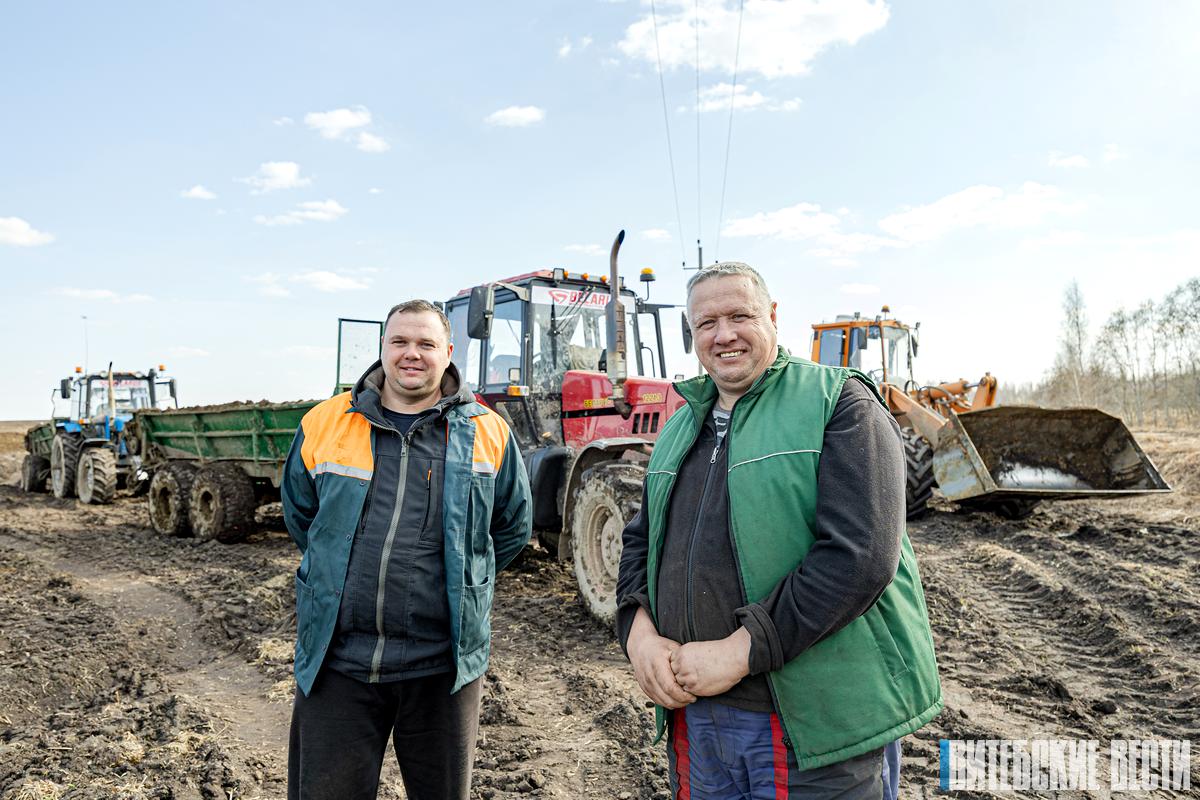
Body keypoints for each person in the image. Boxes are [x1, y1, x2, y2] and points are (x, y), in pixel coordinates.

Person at [616, 263, 941, 799]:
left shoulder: (839, 403)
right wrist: (638, 633)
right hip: (697, 718)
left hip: (814, 727)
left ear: (772, 315)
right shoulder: (679, 427)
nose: (723, 334)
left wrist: (739, 652)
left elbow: (859, 558)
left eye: (739, 316)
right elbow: (639, 542)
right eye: (706, 323)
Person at [282, 299, 532, 800]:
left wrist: (463, 578)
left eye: (425, 343)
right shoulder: (325, 423)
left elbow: (510, 528)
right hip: (338, 663)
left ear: (448, 352)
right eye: (400, 341)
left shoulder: (488, 431)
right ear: (383, 347)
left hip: (442, 667)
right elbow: (302, 516)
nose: (411, 353)